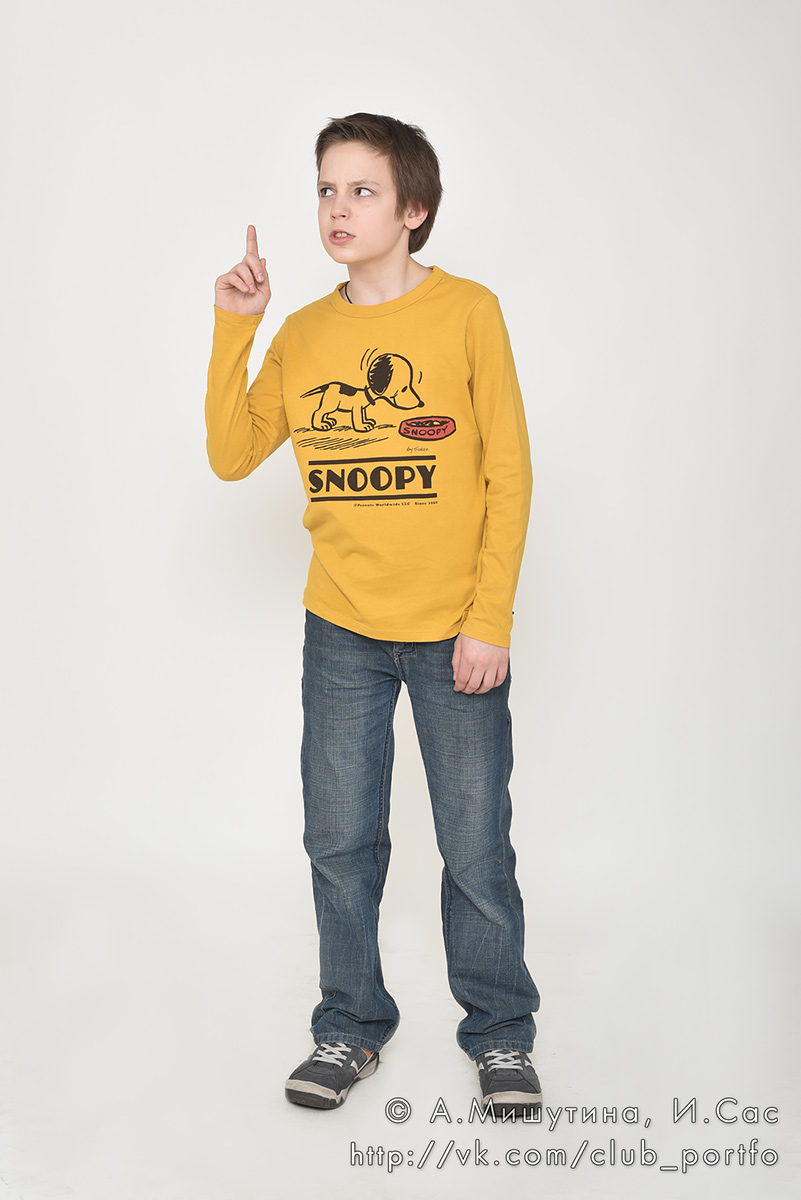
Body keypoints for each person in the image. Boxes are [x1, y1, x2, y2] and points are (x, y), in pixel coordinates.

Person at [205, 112, 541, 1115]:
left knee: (474, 845)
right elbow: (231, 453)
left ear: (413, 210)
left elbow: (509, 473)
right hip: (342, 629)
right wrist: (237, 325)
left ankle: (501, 1036)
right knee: (341, 841)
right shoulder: (306, 334)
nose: (337, 208)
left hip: (454, 629)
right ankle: (349, 1027)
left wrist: (490, 618)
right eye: (325, 189)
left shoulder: (468, 312)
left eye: (362, 190)